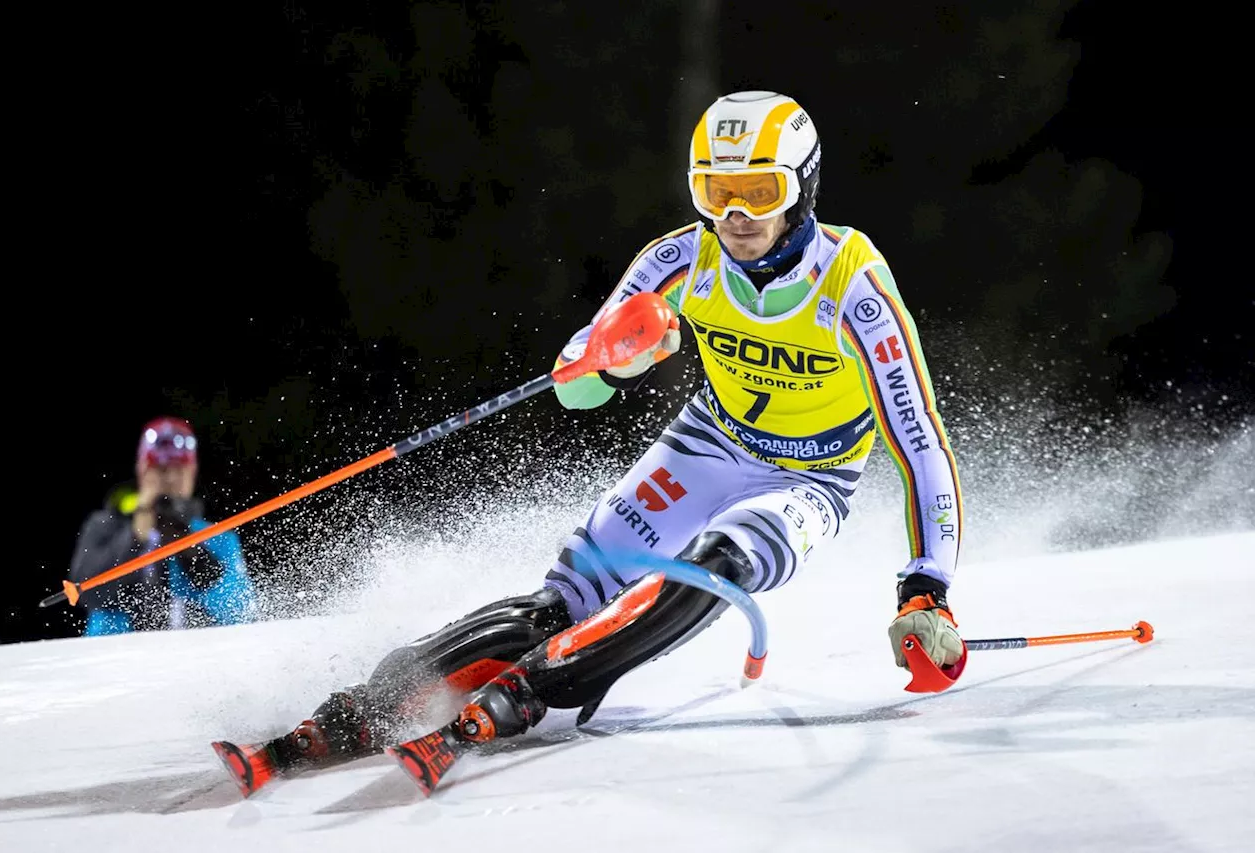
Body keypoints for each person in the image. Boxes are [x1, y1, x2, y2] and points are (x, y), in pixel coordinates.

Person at [213, 90, 964, 796]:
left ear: (802, 186)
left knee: (719, 563)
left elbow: (918, 439)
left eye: (759, 192)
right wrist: (612, 360)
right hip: (705, 445)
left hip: (808, 478)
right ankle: (355, 709)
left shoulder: (852, 283)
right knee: (556, 604)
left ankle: (530, 693)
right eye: (714, 191)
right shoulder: (680, 259)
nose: (735, 215)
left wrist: (926, 588)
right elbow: (575, 381)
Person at [69, 416, 258, 635]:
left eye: (179, 469)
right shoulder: (105, 525)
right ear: (142, 470)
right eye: (160, 468)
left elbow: (242, 613)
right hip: (115, 659)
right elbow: (86, 594)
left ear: (192, 473)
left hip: (193, 659)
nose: (170, 479)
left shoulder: (217, 537)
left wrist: (194, 556)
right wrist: (135, 537)